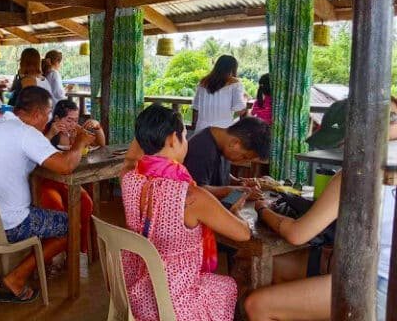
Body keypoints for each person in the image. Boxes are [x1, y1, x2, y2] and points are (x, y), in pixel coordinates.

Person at [244, 97, 396, 321]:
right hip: (374, 271)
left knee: (257, 305)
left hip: (379, 284)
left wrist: (263, 208)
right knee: (292, 270)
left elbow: (298, 234)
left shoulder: (358, 171)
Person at [121, 104, 251, 321]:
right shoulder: (190, 195)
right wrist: (235, 210)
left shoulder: (128, 179)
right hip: (175, 305)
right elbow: (243, 234)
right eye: (183, 135)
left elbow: (129, 160)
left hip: (135, 293)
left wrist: (145, 135)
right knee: (227, 285)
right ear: (173, 139)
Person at [0, 86, 95, 302]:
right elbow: (66, 166)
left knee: (25, 212)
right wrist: (81, 142)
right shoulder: (26, 133)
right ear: (37, 113)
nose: (47, 120)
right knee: (70, 224)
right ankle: (16, 278)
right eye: (47, 114)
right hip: (9, 224)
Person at [124, 116, 271, 201]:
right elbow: (197, 189)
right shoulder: (203, 149)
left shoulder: (222, 143)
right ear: (235, 143)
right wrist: (236, 191)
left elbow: (215, 172)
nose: (241, 160)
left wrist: (238, 182)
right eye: (244, 156)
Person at [39, 99, 105, 277]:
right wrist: (52, 131)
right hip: (47, 182)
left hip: (70, 183)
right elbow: (36, 152)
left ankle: (77, 254)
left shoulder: (78, 134)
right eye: (69, 120)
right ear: (57, 118)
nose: (73, 124)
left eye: (76, 120)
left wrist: (97, 126)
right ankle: (53, 258)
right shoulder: (47, 132)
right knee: (56, 209)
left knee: (85, 204)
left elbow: (101, 143)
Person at [191, 55, 247, 133]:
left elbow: (196, 108)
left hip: (201, 129)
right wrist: (245, 98)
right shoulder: (235, 83)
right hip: (223, 130)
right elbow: (240, 111)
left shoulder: (203, 81)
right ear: (233, 68)